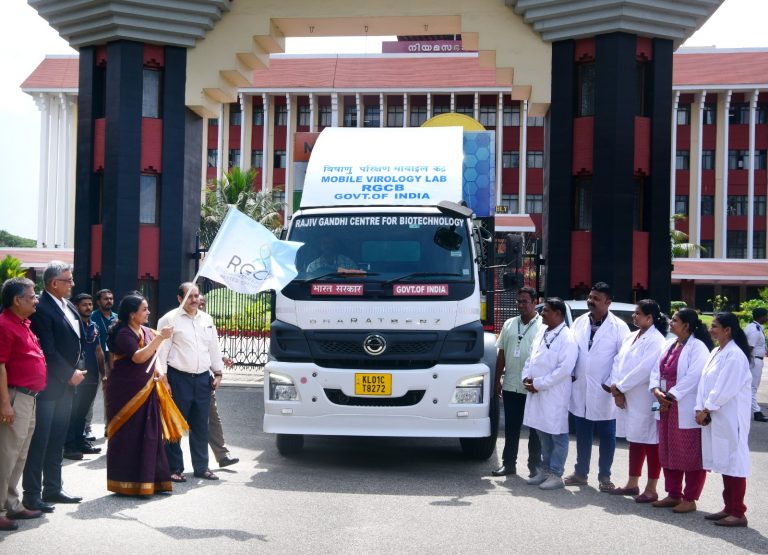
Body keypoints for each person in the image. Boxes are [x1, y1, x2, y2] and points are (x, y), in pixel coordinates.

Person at [22, 261, 85, 512]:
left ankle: (53, 487)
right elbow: (48, 350)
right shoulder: (42, 308)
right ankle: (32, 493)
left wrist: (78, 369)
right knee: (41, 440)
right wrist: (68, 373)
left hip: (68, 384)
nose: (72, 284)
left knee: (58, 438)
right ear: (53, 283)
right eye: (68, 280)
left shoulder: (67, 304)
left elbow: (77, 341)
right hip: (48, 386)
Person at [105, 294, 174, 495]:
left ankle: (152, 481)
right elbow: (138, 357)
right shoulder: (124, 334)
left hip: (147, 389)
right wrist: (161, 337)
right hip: (127, 393)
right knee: (129, 436)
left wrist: (161, 375)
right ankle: (125, 483)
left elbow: (154, 356)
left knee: (150, 435)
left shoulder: (146, 331)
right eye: (144, 309)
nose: (148, 312)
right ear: (132, 314)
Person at [566, 282, 630, 492]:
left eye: (596, 299)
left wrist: (611, 381)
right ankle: (580, 473)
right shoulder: (579, 322)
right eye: (590, 297)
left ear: (608, 302)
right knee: (582, 433)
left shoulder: (619, 327)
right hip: (581, 387)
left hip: (605, 389)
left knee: (607, 435)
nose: (591, 301)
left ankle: (605, 476)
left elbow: (623, 359)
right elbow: (572, 351)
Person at [157, 283, 225, 482]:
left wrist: (218, 373)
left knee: (201, 426)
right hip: (179, 379)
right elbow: (162, 351)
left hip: (203, 379)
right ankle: (174, 468)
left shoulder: (207, 319)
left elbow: (213, 348)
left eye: (196, 296)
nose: (194, 300)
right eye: (189, 297)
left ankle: (202, 467)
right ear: (180, 299)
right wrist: (165, 380)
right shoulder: (169, 320)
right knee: (175, 426)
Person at [650, 308, 712, 513]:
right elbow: (655, 371)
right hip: (665, 405)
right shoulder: (669, 344)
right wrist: (657, 391)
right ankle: (673, 493)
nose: (670, 323)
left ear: (686, 325)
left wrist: (670, 395)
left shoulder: (698, 347)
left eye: (675, 320)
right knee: (667, 450)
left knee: (689, 452)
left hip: (682, 405)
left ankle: (690, 497)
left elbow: (693, 377)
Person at [695, 312, 753, 528]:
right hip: (715, 415)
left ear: (728, 330)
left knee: (734, 462)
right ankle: (729, 507)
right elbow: (704, 383)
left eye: (715, 326)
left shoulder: (735, 356)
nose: (711, 330)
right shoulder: (716, 351)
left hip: (730, 417)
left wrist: (707, 408)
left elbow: (724, 388)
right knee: (724, 462)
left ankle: (739, 512)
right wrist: (700, 408)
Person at [608, 300, 667, 502]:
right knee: (635, 439)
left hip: (644, 397)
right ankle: (632, 483)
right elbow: (618, 362)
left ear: (649, 318)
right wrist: (616, 389)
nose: (634, 316)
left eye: (638, 313)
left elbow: (643, 369)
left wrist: (620, 387)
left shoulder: (656, 340)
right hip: (626, 395)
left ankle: (651, 488)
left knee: (650, 440)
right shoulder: (631, 336)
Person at [0, 278, 47, 530]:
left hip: (28, 398)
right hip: (15, 397)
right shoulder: (4, 325)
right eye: (31, 296)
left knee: (19, 455)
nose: (35, 299)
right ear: (17, 300)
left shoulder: (22, 324)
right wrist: (5, 404)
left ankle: (12, 504)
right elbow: (0, 366)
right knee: (6, 455)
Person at [523, 298, 578, 490]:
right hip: (537, 391)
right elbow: (531, 357)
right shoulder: (541, 331)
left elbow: (564, 370)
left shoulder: (568, 338)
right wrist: (526, 378)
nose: (542, 313)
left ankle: (556, 473)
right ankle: (545, 471)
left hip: (554, 394)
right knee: (542, 431)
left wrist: (539, 383)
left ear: (558, 314)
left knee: (557, 434)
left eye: (546, 310)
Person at [492, 287, 543, 478]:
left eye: (525, 302)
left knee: (535, 429)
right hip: (511, 384)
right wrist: (497, 380)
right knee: (512, 427)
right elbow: (502, 353)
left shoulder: (543, 326)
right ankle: (509, 464)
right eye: (518, 301)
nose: (521, 305)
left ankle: (534, 466)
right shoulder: (509, 324)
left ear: (534, 302)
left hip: (532, 387)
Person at [63, 293, 106, 460]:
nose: (88, 308)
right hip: (76, 375)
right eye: (84, 305)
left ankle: (80, 441)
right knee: (72, 412)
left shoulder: (94, 325)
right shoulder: (72, 325)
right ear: (75, 306)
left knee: (83, 412)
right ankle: (69, 445)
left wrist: (104, 374)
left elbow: (98, 351)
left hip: (92, 375)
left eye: (90, 304)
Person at [198, 294, 239, 468]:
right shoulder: (176, 321)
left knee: (212, 417)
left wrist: (221, 362)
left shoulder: (207, 323)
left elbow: (209, 350)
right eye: (194, 301)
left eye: (202, 304)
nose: (199, 306)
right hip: (182, 380)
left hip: (205, 380)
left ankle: (222, 455)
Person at [87, 288, 117, 439]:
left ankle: (109, 427)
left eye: (111, 298)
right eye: (105, 299)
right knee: (90, 395)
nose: (109, 301)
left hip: (112, 360)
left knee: (110, 395)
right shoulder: (92, 317)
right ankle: (86, 428)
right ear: (98, 302)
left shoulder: (117, 318)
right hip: (94, 360)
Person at [745, 307, 767, 422]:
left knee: (751, 387)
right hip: (754, 361)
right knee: (752, 387)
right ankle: (757, 412)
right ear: (761, 316)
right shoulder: (754, 330)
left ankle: (751, 409)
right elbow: (749, 347)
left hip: (756, 360)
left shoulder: (754, 327)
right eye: (766, 315)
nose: (767, 318)